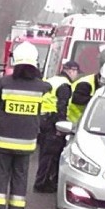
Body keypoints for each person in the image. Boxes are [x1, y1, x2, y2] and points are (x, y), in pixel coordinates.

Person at [0, 41, 51, 209]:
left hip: (3, 141)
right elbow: (45, 116)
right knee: (20, 178)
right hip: (27, 143)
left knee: (1, 177)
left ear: (16, 62)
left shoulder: (4, 83)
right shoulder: (43, 88)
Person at [33, 60, 81, 193]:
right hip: (53, 121)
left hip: (42, 119)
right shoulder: (65, 85)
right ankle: (42, 183)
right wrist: (61, 126)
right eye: (76, 72)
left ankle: (42, 180)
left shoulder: (52, 79)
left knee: (44, 154)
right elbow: (62, 106)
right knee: (51, 154)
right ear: (71, 71)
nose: (76, 76)